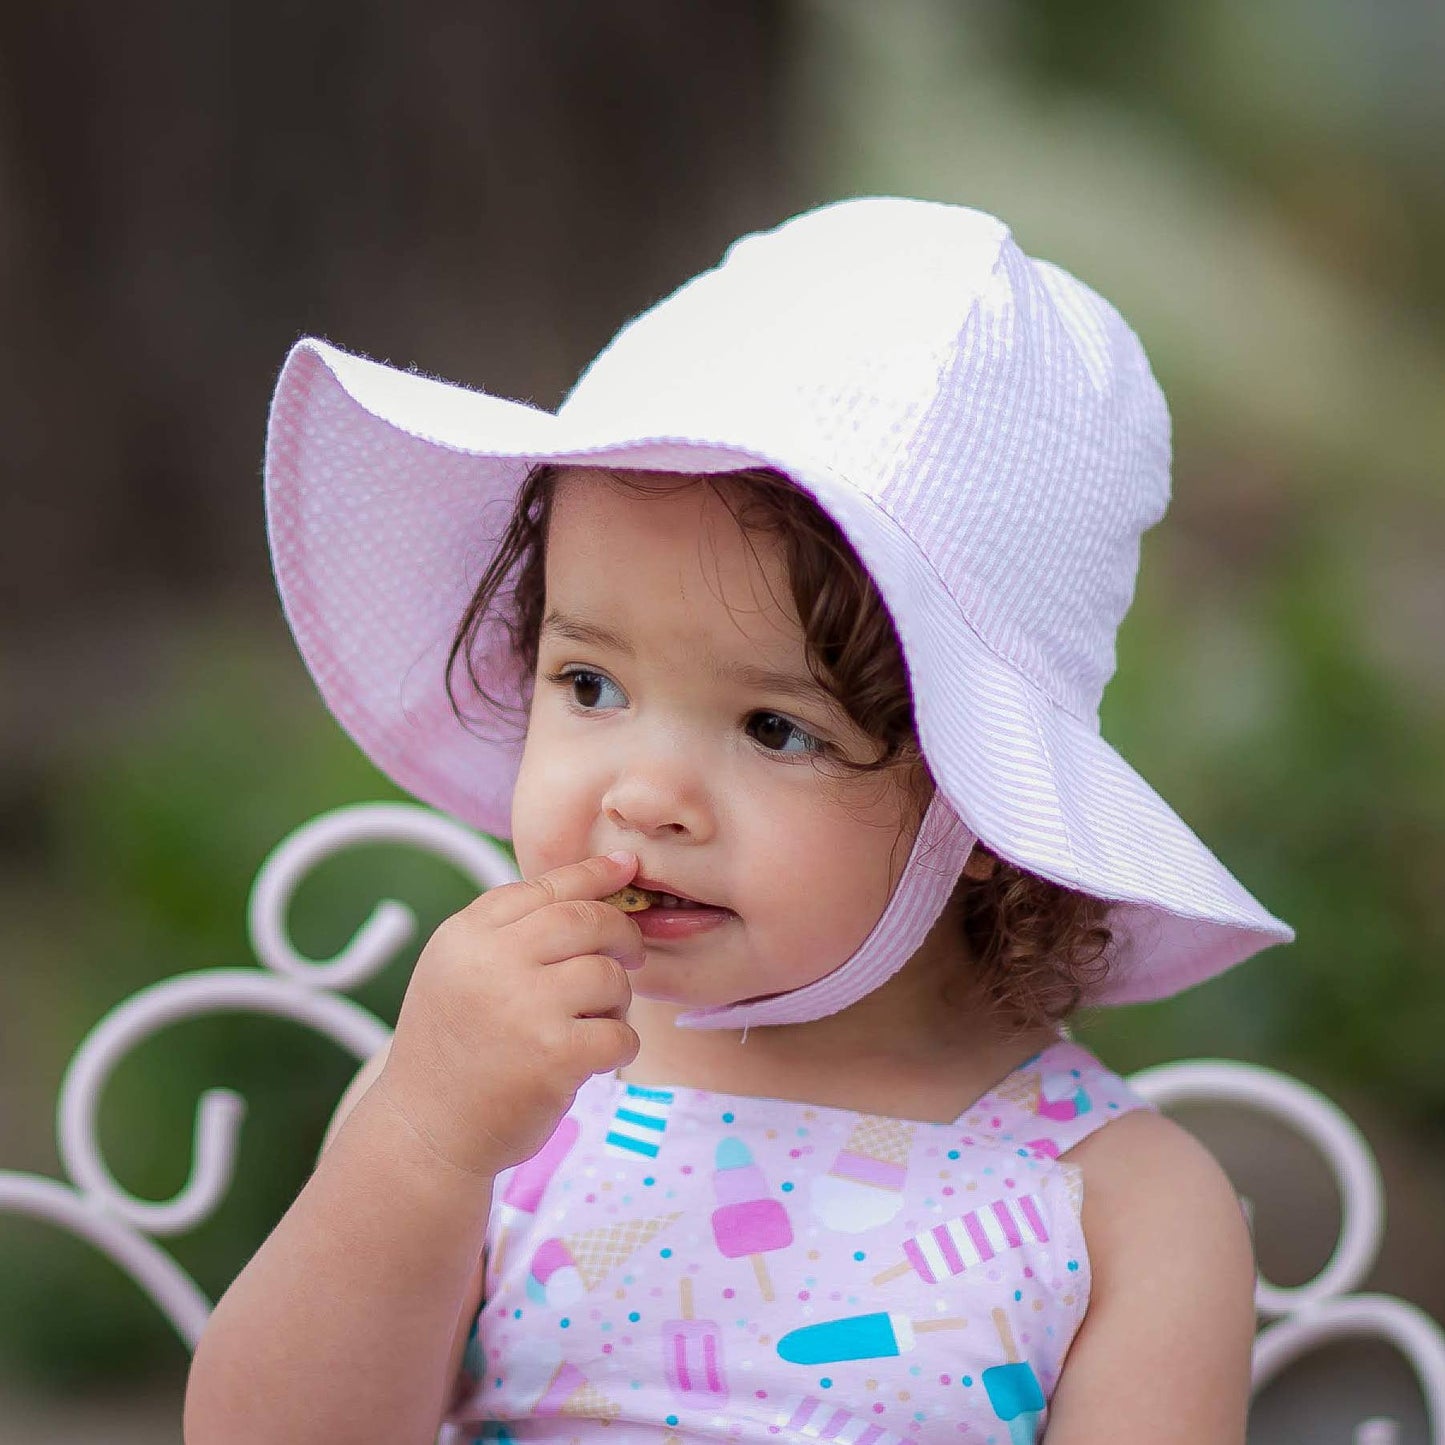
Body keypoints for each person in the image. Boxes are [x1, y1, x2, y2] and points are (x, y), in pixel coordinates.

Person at [184, 197, 1293, 1445]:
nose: (644, 792)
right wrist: (423, 1147)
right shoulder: (486, 1098)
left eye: (776, 727)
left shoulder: (1116, 1209)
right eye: (589, 683)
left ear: (983, 803)